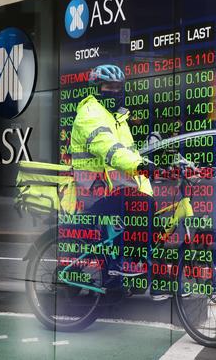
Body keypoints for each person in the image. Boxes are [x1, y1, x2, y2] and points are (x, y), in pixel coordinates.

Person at [70, 64, 170, 300]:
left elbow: (130, 153)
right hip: (94, 190)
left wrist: (151, 167)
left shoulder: (119, 118)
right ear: (97, 89)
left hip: (115, 189)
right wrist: (138, 167)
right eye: (108, 87)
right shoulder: (89, 114)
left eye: (118, 87)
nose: (114, 92)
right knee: (141, 208)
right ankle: (124, 264)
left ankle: (150, 279)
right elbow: (109, 149)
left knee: (150, 220)